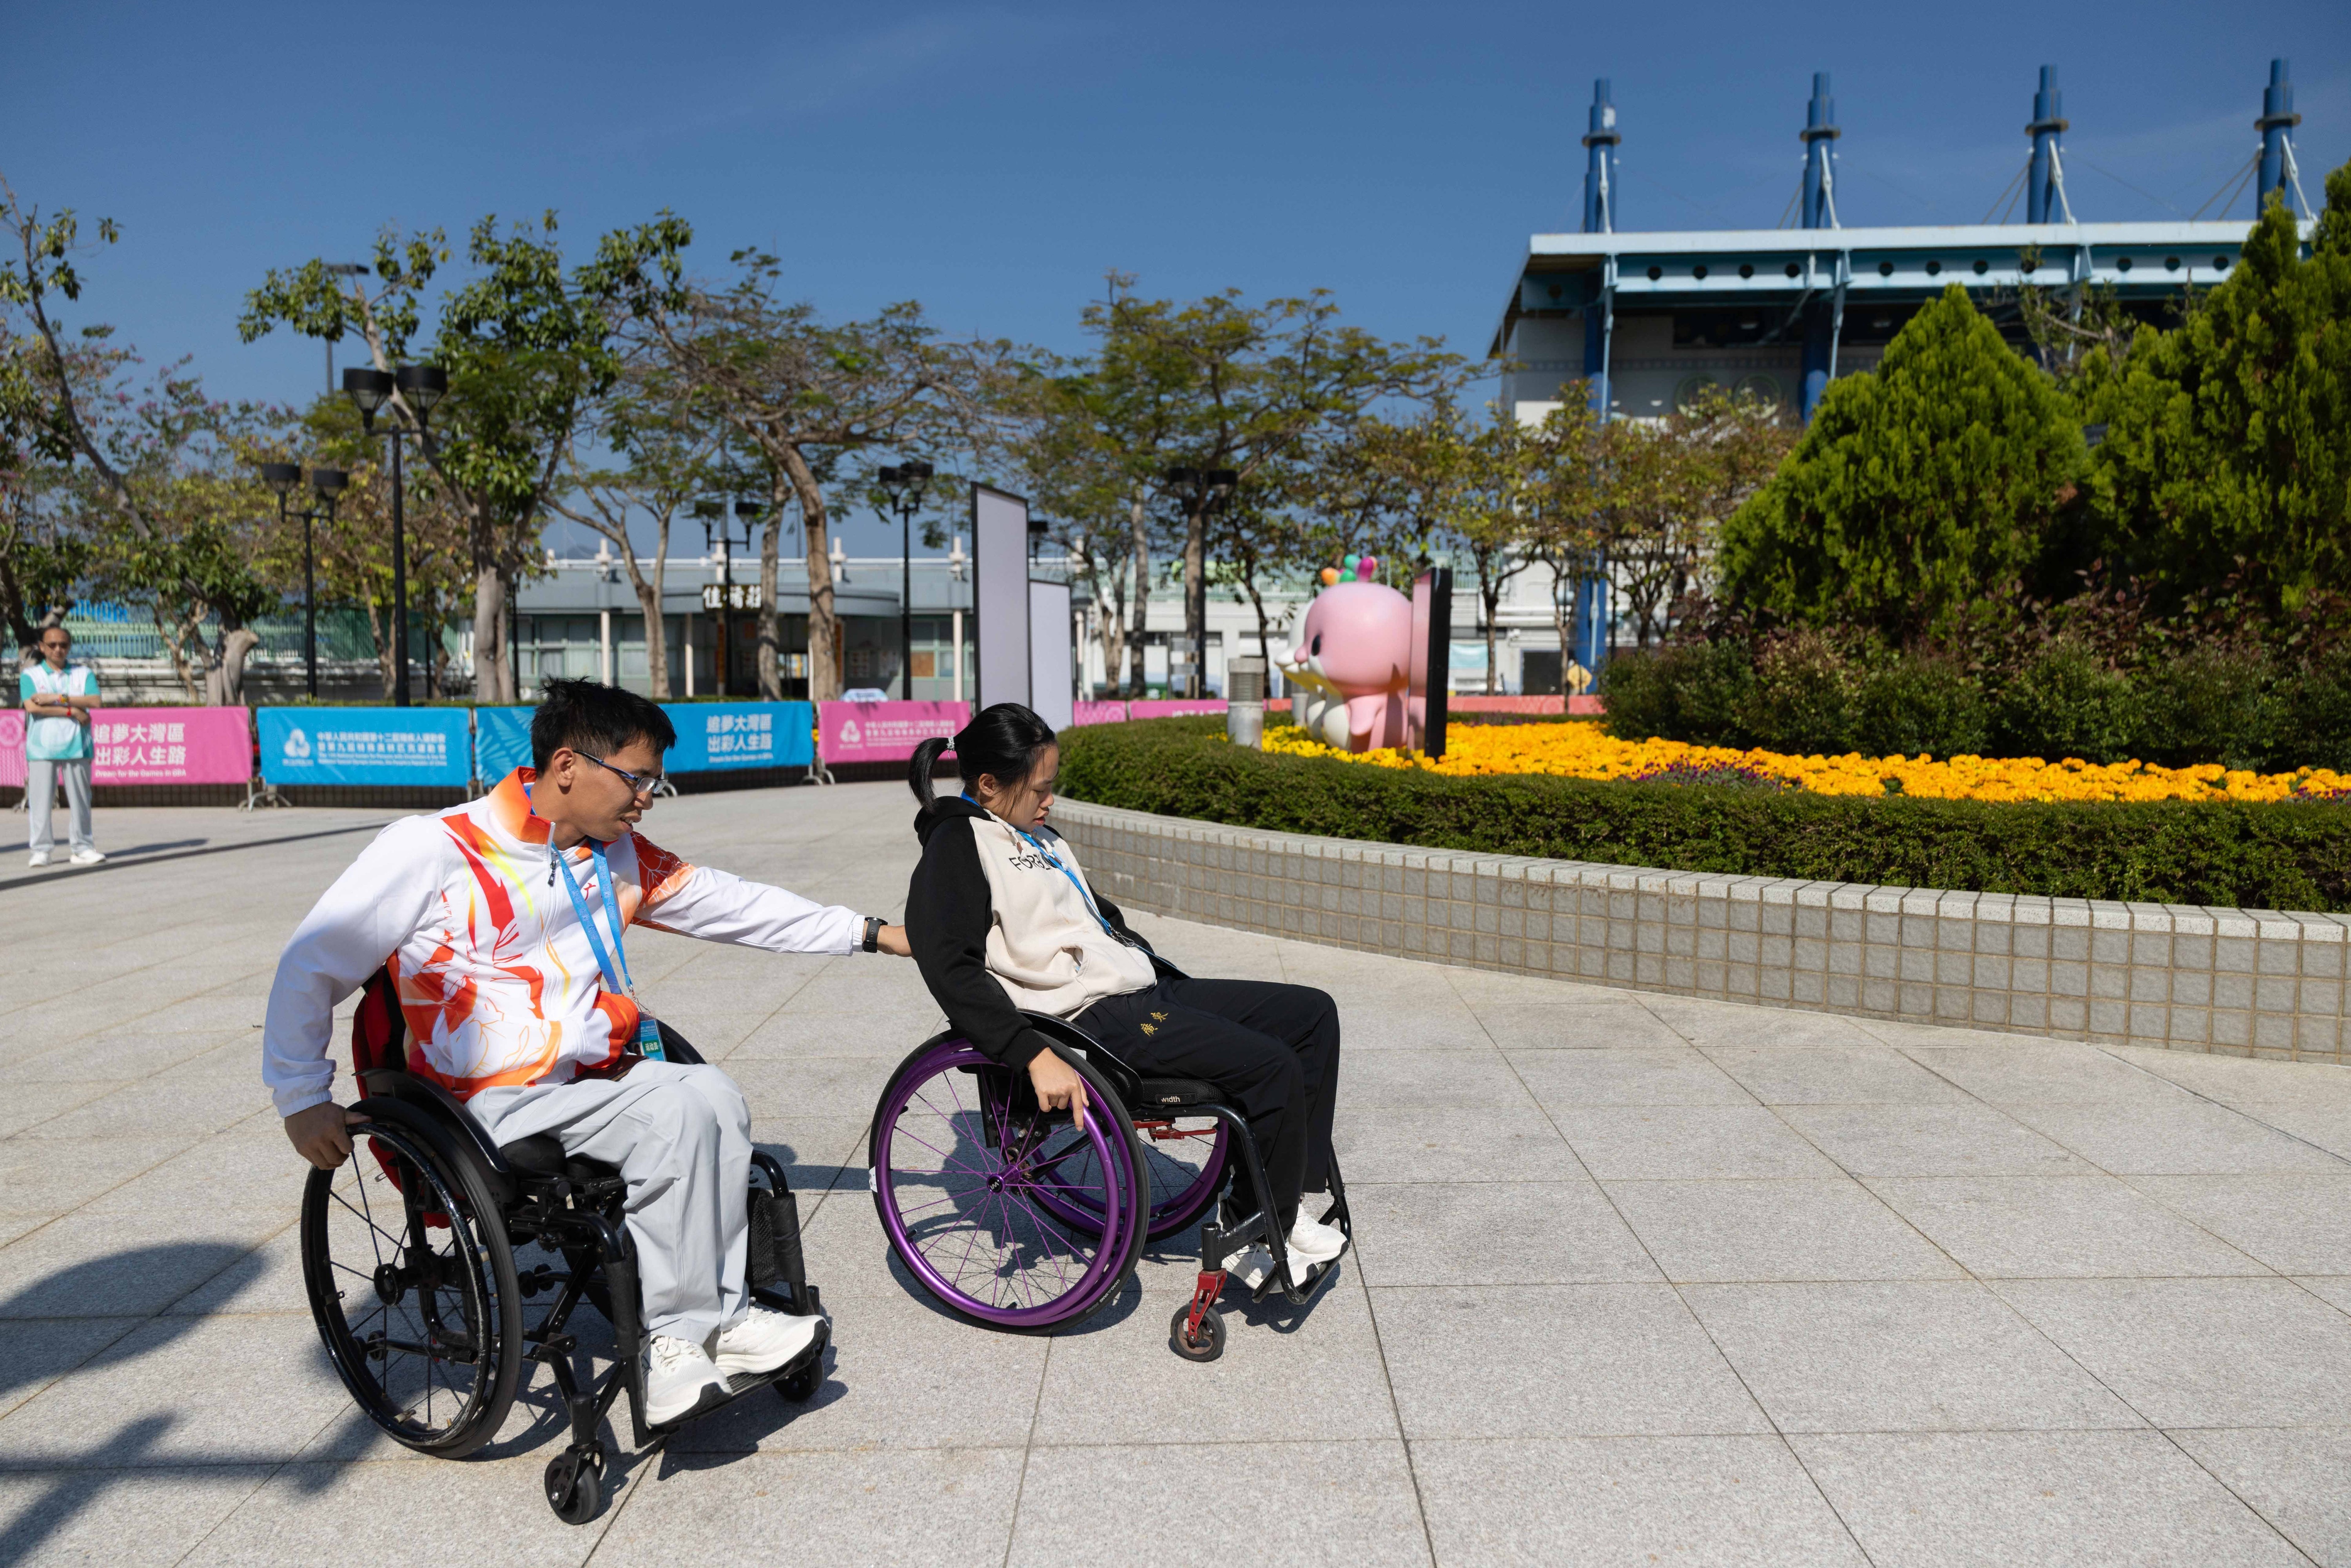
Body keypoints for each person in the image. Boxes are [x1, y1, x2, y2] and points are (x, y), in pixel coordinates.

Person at [264, 679, 914, 1426]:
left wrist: (870, 933)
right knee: (675, 1106)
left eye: (654, 783)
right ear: (567, 766)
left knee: (714, 1095)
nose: (647, 799)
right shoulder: (433, 849)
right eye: (636, 779)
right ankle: (673, 1346)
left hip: (581, 1088)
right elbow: (312, 962)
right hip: (475, 1109)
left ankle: (721, 1319)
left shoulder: (615, 856)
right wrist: (301, 1095)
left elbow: (736, 905)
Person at [902, 703, 1346, 1287]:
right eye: (1039, 789)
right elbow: (949, 965)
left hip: (1143, 986)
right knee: (1271, 1068)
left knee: (1312, 1014)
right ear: (988, 785)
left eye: (1051, 787)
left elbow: (1097, 917)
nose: (1049, 800)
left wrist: (1134, 951)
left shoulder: (1042, 838)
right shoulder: (958, 845)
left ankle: (1289, 1200)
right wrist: (1029, 1052)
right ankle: (1256, 1229)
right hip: (1091, 1018)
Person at [20, 624, 104, 868]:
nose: (58, 649)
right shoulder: (31, 675)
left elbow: (95, 700)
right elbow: (33, 707)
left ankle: (83, 847)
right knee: (40, 800)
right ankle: (41, 850)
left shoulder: (83, 673)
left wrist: (57, 698)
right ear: (43, 648)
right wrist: (72, 711)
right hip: (41, 747)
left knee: (80, 799)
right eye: (53, 645)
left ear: (69, 646)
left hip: (77, 745)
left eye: (64, 645)